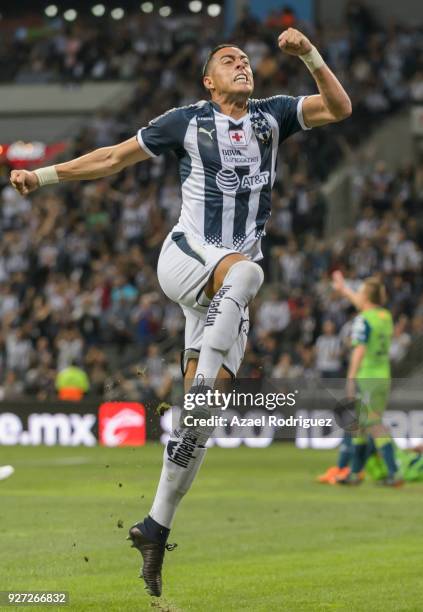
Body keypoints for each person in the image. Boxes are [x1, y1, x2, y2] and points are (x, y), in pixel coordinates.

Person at [10, 28, 351, 597]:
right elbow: (114, 157)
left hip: (224, 299)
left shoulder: (273, 116)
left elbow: (339, 107)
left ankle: (155, 525)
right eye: (228, 60)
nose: (241, 63)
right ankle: (197, 381)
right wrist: (42, 176)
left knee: (201, 422)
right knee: (248, 270)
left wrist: (311, 55)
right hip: (188, 260)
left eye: (245, 59)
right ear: (208, 80)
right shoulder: (186, 120)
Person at [330, 271, 401, 487]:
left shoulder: (362, 320)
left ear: (367, 297)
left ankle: (394, 472)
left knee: (373, 425)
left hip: (367, 376)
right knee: (361, 425)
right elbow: (364, 305)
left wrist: (350, 378)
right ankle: (355, 474)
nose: (357, 295)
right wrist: (344, 290)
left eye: (360, 292)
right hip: (383, 376)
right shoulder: (385, 316)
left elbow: (359, 350)